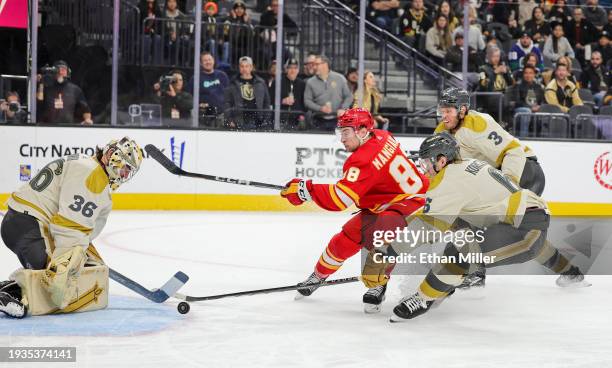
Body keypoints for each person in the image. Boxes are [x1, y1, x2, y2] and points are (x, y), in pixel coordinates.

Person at [388, 133, 589, 321]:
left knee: (459, 254)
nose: (424, 168)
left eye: (426, 162)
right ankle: (572, 274)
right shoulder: (469, 164)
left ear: (441, 160)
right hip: (529, 218)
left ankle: (423, 298)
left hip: (524, 227)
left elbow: (427, 227)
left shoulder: (447, 179)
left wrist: (388, 252)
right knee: (466, 233)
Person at [280, 108, 428, 313]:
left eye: (346, 132)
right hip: (389, 201)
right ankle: (319, 276)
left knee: (384, 230)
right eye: (340, 132)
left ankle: (378, 283)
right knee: (347, 237)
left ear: (362, 131)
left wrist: (308, 190)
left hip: (415, 203)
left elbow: (340, 200)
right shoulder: (381, 135)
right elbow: (369, 182)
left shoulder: (362, 159)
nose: (342, 138)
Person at [0, 137, 143, 318]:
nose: (124, 175)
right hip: (29, 226)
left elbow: (77, 227)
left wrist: (84, 254)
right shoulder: (93, 176)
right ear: (110, 155)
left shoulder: (88, 167)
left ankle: (9, 288)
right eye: (126, 167)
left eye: (129, 171)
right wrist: (68, 266)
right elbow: (69, 227)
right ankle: (17, 295)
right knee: (55, 280)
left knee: (75, 267)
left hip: (22, 223)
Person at [432, 87, 545, 287]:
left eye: (449, 110)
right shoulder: (441, 131)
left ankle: (475, 270)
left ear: (463, 110)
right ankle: (570, 271)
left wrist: (508, 188)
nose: (444, 114)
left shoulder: (478, 124)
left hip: (524, 170)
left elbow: (513, 152)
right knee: (467, 219)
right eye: (442, 110)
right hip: (493, 177)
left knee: (496, 227)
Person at [303, 55, 353, 130]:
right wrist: (320, 108)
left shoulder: (340, 78)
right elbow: (307, 101)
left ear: (325, 64)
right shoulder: (310, 82)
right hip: (318, 120)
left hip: (338, 120)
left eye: (316, 64)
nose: (314, 67)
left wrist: (343, 108)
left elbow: (348, 96)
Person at [37, 60, 93, 125]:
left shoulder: (75, 89)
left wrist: (87, 119)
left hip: (68, 128)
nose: (61, 72)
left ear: (68, 71)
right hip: (48, 127)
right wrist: (41, 83)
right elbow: (39, 101)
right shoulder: (47, 87)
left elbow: (85, 108)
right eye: (59, 69)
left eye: (64, 69)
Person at [223, 56, 271, 129]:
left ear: (251, 67)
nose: (244, 69)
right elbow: (227, 102)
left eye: (246, 66)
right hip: (238, 121)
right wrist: (229, 120)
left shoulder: (260, 82)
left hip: (258, 121)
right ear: (239, 67)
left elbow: (266, 102)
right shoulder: (233, 82)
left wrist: (265, 120)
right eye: (242, 66)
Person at [187, 52, 230, 126]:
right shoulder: (195, 78)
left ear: (213, 61)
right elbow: (190, 96)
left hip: (221, 115)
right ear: (201, 63)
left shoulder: (222, 75)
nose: (208, 62)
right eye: (205, 60)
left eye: (209, 59)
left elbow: (229, 94)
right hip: (202, 116)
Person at [269, 58, 306, 129]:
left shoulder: (302, 84)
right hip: (279, 120)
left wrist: (302, 116)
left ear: (298, 70)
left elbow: (304, 103)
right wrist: (282, 101)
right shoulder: (278, 82)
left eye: (295, 68)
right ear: (286, 69)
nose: (293, 70)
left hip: (296, 122)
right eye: (290, 68)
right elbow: (270, 99)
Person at [477, 46, 514, 117]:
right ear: (489, 57)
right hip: (490, 96)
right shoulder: (482, 69)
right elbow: (483, 85)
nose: (496, 58)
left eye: (498, 56)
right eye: (494, 56)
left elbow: (512, 83)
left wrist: (506, 73)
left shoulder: (504, 67)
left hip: (505, 94)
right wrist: (494, 73)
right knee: (501, 99)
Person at [512, 65, 545, 137]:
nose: (528, 75)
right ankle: (524, 138)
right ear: (523, 75)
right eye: (526, 73)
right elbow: (517, 102)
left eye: (530, 73)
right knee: (527, 111)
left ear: (534, 74)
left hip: (535, 109)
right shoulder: (518, 86)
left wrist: (540, 107)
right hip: (520, 109)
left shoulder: (538, 87)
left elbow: (542, 100)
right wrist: (530, 108)